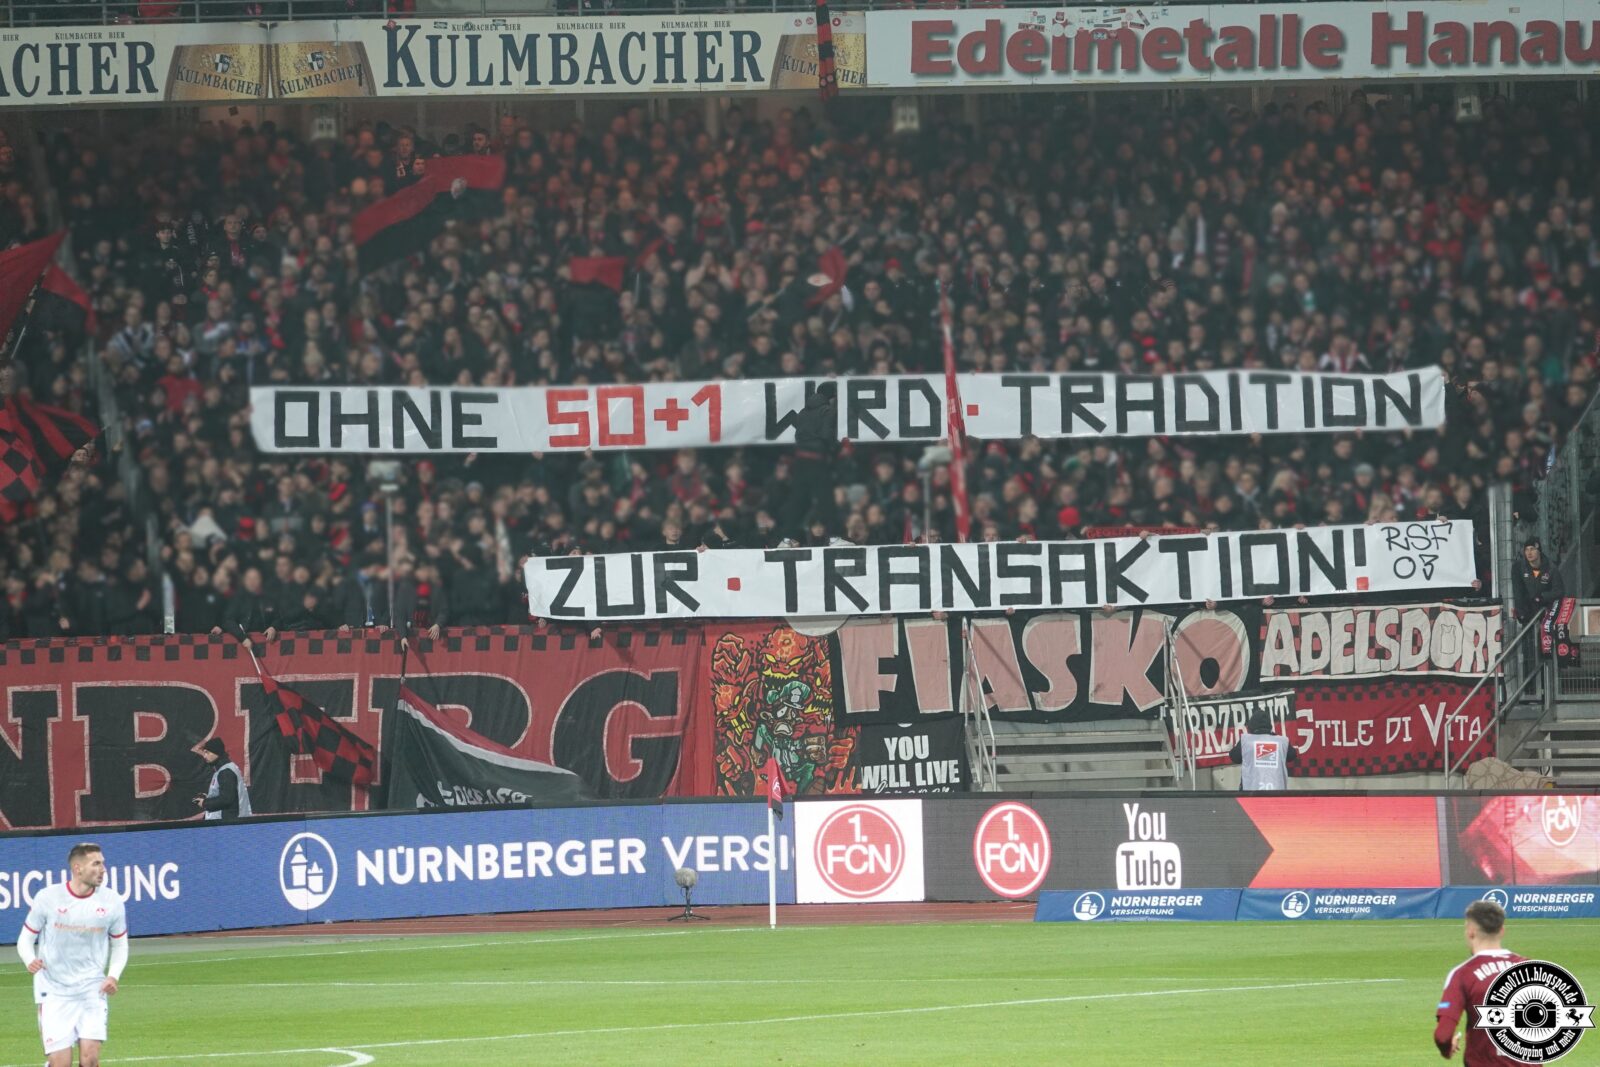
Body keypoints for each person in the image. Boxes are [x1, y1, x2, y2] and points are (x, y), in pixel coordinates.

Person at [15, 843, 128, 1067]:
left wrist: (113, 975)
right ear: (77, 868)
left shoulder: (112, 901)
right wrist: (30, 960)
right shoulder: (48, 897)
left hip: (92, 987)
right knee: (61, 1063)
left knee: (91, 1058)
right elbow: (25, 938)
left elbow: (120, 944)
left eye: (103, 863)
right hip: (54, 989)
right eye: (96, 864)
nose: (103, 869)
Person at [1434, 900, 1526, 1063]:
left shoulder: (1463, 974)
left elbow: (1443, 1035)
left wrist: (1447, 1048)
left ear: (1470, 932)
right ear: (1502, 930)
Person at [1227, 708, 1298, 791]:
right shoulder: (1282, 741)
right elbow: (1292, 755)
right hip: (1277, 793)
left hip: (1250, 793)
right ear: (1269, 725)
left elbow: (1234, 757)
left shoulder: (1246, 740)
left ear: (1251, 726)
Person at [193, 738, 252, 821]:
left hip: (228, 824)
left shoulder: (226, 772)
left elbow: (226, 799)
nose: (204, 756)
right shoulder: (223, 769)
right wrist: (208, 798)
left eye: (207, 752)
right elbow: (227, 795)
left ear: (217, 752)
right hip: (227, 822)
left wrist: (205, 803)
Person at [1513, 538, 1564, 623]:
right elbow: (1517, 591)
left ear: (1539, 551)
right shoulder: (1518, 568)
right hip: (1528, 611)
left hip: (1546, 611)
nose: (1529, 553)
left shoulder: (1551, 568)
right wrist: (1520, 612)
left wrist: (1542, 597)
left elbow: (1559, 591)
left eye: (1532, 549)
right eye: (1526, 550)